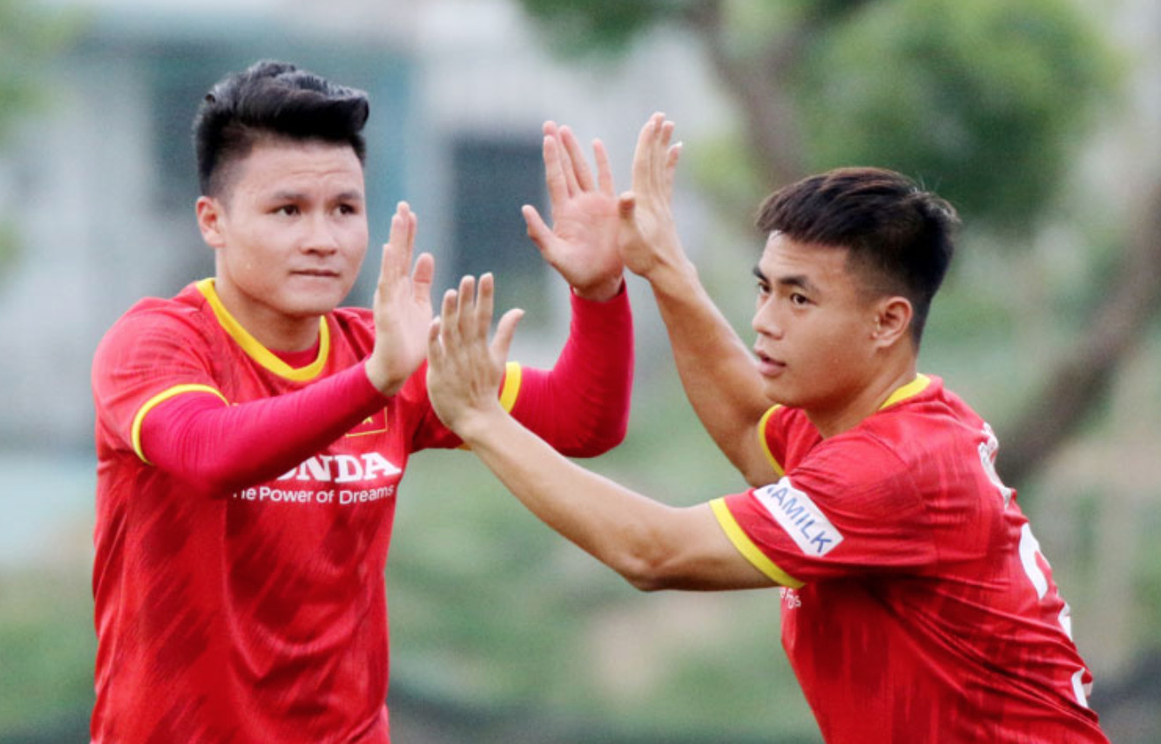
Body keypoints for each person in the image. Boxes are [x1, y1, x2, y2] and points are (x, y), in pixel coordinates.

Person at [425, 113, 1110, 743]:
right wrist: (660, 265)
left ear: (887, 322)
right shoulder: (863, 424)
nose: (764, 321)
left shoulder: (893, 469)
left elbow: (654, 554)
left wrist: (483, 418)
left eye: (799, 298)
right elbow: (751, 426)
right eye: (765, 289)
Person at [89, 59, 634, 743]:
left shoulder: (383, 351)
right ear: (213, 221)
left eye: (344, 209)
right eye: (288, 210)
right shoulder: (155, 344)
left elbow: (583, 422)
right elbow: (210, 454)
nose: (323, 239)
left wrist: (599, 292)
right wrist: (375, 380)